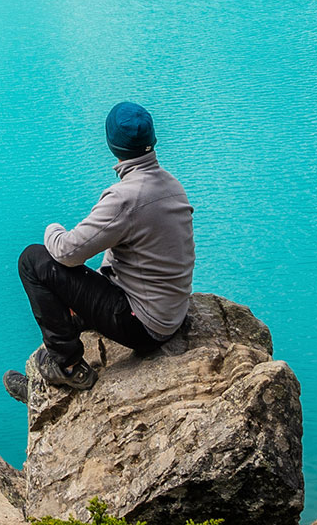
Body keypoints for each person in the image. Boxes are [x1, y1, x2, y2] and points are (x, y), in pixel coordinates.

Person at [10, 101, 195, 397]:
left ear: (112, 146)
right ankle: (74, 327)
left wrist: (51, 228)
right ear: (153, 140)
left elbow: (67, 252)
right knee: (80, 283)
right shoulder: (172, 185)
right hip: (171, 312)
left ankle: (67, 366)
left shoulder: (125, 199)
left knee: (33, 260)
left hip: (144, 325)